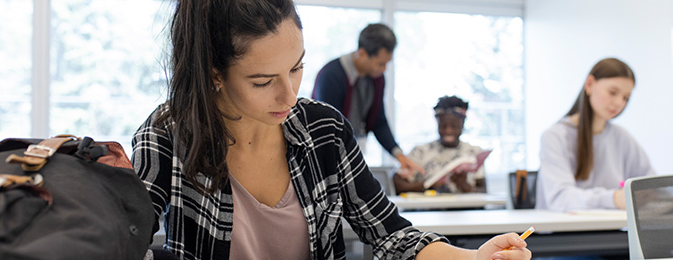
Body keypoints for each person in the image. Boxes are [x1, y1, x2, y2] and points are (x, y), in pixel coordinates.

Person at [132, 0, 531, 259]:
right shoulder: (168, 133)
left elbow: (391, 235)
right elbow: (125, 238)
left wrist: (477, 256)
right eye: (262, 82)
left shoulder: (324, 129)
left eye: (297, 67)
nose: (289, 96)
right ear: (215, 74)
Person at [536, 58, 656, 212]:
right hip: (563, 233)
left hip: (612, 230)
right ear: (590, 84)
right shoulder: (555, 136)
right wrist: (613, 198)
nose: (619, 102)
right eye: (613, 92)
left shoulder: (621, 137)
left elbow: (650, 185)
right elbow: (561, 199)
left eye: (626, 97)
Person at [311, 23, 425, 178]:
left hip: (350, 154)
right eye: (380, 63)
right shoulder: (331, 76)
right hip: (324, 159)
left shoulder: (377, 79)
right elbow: (326, 130)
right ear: (363, 53)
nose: (384, 69)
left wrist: (400, 157)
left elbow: (379, 121)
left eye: (387, 64)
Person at [393, 95, 487, 194]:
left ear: (462, 124)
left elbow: (483, 191)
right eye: (443, 126)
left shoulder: (474, 153)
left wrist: (464, 185)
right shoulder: (420, 152)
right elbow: (397, 184)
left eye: (454, 126)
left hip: (464, 208)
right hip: (427, 208)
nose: (448, 130)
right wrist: (428, 184)